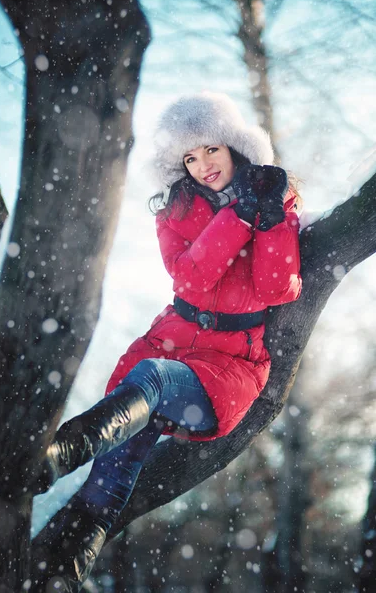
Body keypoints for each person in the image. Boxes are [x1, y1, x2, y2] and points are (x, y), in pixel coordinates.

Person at [32, 92, 302, 592]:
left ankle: (63, 449)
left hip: (230, 364)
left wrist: (265, 218)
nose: (202, 166)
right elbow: (191, 279)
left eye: (210, 150)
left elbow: (276, 288)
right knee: (118, 467)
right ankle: (63, 574)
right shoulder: (174, 208)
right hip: (173, 340)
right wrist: (236, 217)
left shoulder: (272, 198)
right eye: (189, 158)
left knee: (153, 380)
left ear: (234, 145)